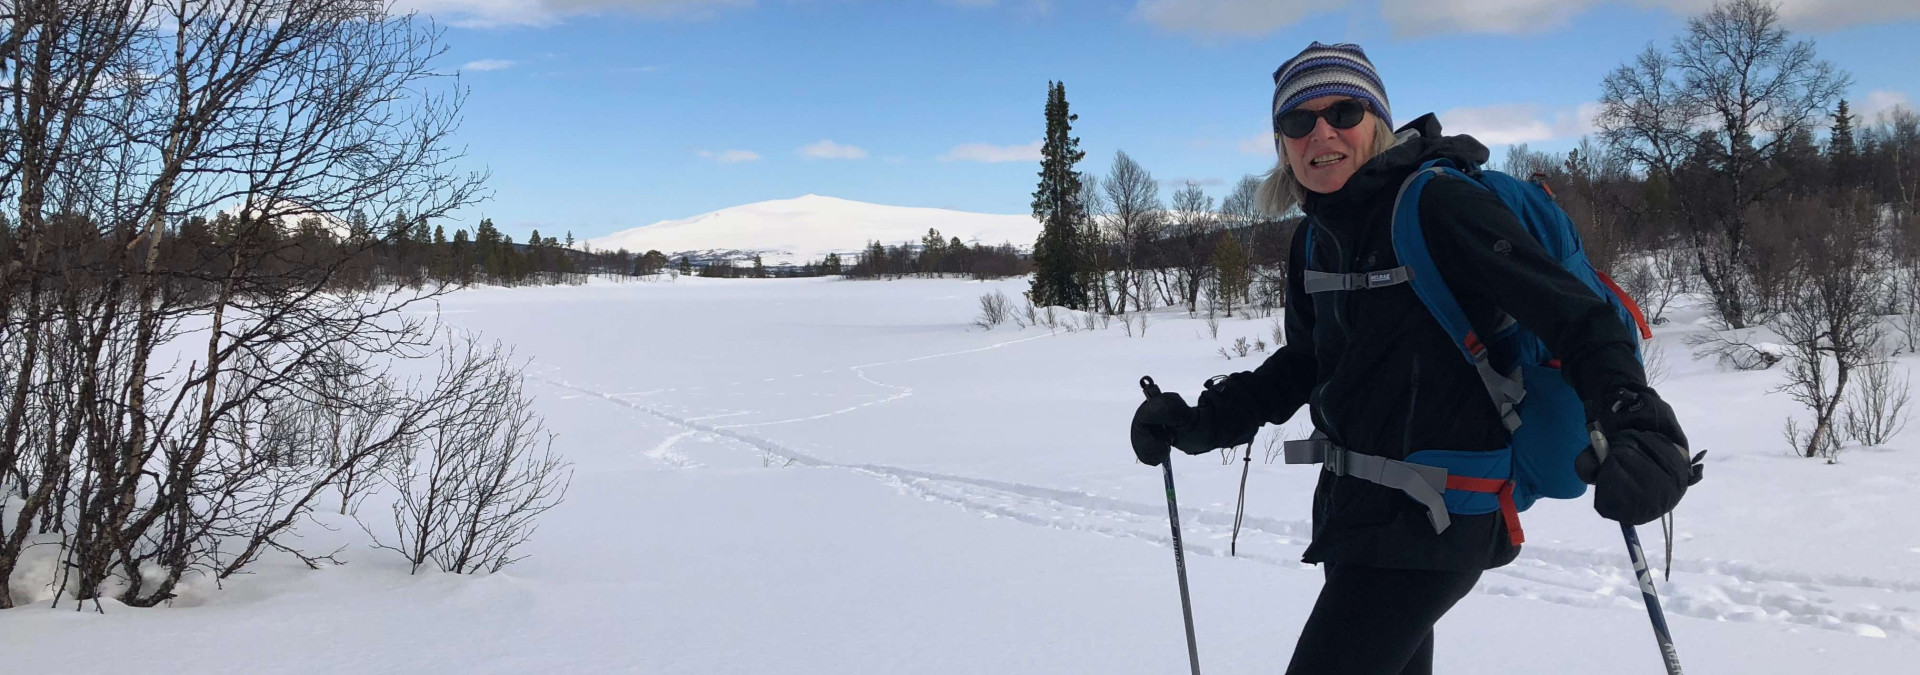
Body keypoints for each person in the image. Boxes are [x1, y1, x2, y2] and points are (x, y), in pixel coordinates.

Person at [1128, 42, 1704, 675]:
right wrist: (1206, 420)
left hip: (1440, 515)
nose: (1322, 131)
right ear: (1282, 143)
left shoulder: (1437, 204)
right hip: (1355, 513)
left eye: (1344, 112)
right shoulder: (1316, 238)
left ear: (1377, 121)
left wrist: (1635, 416)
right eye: (1298, 121)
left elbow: (1576, 316)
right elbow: (1308, 361)